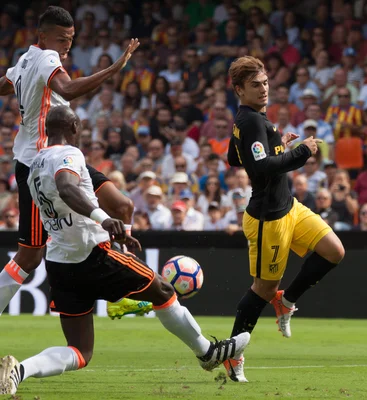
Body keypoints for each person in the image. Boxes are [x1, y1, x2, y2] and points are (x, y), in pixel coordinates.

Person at [0, 106, 250, 396]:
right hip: (92, 254)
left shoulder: (34, 166)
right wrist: (102, 218)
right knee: (164, 291)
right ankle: (207, 353)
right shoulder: (68, 154)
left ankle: (19, 370)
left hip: (59, 262)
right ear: (73, 127)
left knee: (80, 351)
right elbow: (67, 188)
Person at [0, 6, 149, 319]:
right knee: (30, 256)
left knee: (121, 207)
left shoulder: (23, 62)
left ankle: (118, 294)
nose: (67, 45)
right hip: (37, 166)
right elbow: (66, 88)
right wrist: (114, 70)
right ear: (42, 36)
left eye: (70, 39)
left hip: (64, 158)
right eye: (61, 38)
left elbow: (5, 84)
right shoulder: (45, 58)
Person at [225, 56, 345, 382]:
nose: (264, 89)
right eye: (255, 85)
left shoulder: (253, 119)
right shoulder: (249, 121)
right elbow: (260, 167)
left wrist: (278, 145)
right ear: (239, 89)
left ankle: (287, 301)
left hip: (289, 206)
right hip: (268, 218)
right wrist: (302, 151)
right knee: (262, 289)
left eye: (265, 83)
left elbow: (233, 155)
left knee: (334, 251)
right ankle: (233, 354)